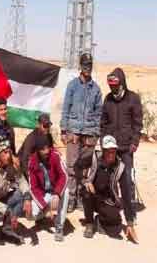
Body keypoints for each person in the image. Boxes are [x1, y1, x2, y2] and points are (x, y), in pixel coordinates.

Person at [60, 52, 103, 213]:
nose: (88, 68)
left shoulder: (96, 90)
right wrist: (63, 130)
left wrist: (96, 133)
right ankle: (70, 197)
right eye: (85, 65)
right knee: (71, 167)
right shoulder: (72, 86)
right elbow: (66, 108)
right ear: (80, 66)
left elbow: (99, 113)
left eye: (90, 65)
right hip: (73, 132)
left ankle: (80, 196)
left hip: (89, 134)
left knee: (84, 168)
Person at [82, 136, 138, 243]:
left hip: (107, 199)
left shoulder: (120, 167)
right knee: (86, 192)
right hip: (92, 195)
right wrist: (85, 181)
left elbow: (126, 194)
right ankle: (89, 223)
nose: (111, 154)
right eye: (108, 151)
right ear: (103, 151)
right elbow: (77, 167)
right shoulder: (94, 157)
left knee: (115, 231)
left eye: (113, 151)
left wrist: (129, 222)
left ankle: (99, 220)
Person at [100, 68, 143, 205]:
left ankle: (130, 205)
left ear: (122, 83)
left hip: (126, 146)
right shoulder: (108, 99)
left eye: (115, 86)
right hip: (110, 147)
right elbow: (103, 122)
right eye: (111, 86)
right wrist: (103, 140)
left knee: (126, 176)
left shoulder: (133, 98)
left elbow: (138, 123)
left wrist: (134, 142)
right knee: (111, 175)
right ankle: (115, 202)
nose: (113, 89)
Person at [0, 137, 32, 245]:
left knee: (20, 194)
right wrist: (8, 211)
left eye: (9, 152)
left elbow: (22, 181)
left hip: (1, 199)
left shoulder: (10, 164)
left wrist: (27, 197)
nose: (8, 155)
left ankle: (7, 229)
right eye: (5, 152)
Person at [27, 135, 68, 242]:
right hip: (44, 193)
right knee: (31, 214)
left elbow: (64, 176)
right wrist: (45, 208)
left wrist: (57, 193)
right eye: (42, 149)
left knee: (66, 191)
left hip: (55, 191)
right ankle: (43, 217)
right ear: (37, 150)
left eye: (47, 148)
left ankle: (59, 227)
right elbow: (33, 188)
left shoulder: (55, 156)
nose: (46, 151)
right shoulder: (32, 161)